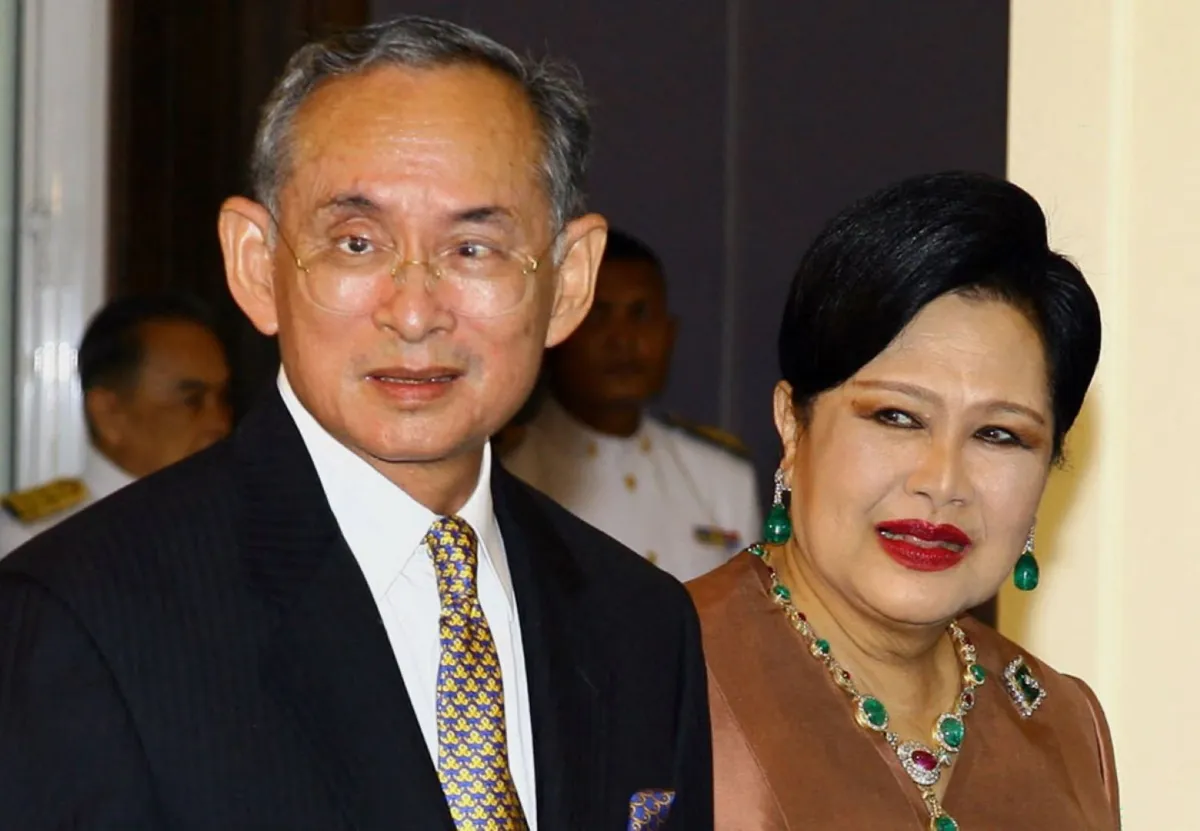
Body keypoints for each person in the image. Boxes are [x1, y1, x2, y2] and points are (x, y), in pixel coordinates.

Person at [0, 16, 711, 830]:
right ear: (256, 265)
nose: (413, 313)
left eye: (474, 248)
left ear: (570, 282)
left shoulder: (640, 624)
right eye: (357, 243)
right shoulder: (84, 618)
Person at [688, 172, 1118, 829]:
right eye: (896, 417)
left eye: (999, 434)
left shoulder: (1062, 722)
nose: (942, 479)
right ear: (792, 425)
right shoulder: (661, 669)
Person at [504, 229, 760, 581]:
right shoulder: (508, 470)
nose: (622, 340)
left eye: (640, 314)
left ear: (670, 334)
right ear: (558, 330)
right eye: (598, 315)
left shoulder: (721, 478)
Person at [0, 293, 231, 557]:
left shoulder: (232, 524)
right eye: (192, 401)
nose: (220, 423)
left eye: (223, 398)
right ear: (108, 414)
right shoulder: (34, 541)